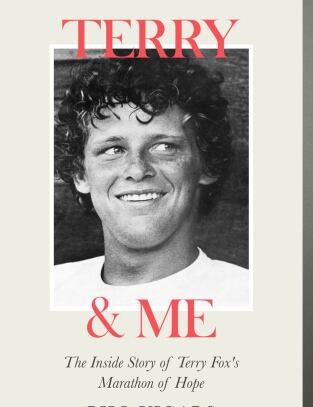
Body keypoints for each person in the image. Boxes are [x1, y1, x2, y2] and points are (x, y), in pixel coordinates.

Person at [52, 55, 250, 311]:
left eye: (164, 146)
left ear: (206, 164)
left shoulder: (247, 297)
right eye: (113, 149)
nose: (137, 169)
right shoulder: (47, 292)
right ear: (81, 174)